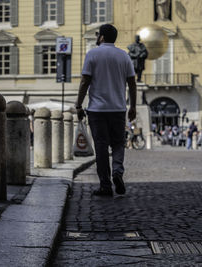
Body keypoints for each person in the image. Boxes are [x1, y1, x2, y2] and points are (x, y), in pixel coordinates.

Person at [75, 24, 137, 196]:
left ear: (101, 37)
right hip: (118, 109)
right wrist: (133, 106)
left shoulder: (92, 54)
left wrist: (78, 104)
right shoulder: (124, 56)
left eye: (97, 35)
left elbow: (85, 81)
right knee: (118, 143)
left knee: (101, 147)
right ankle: (117, 171)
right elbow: (132, 83)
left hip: (97, 110)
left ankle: (105, 185)